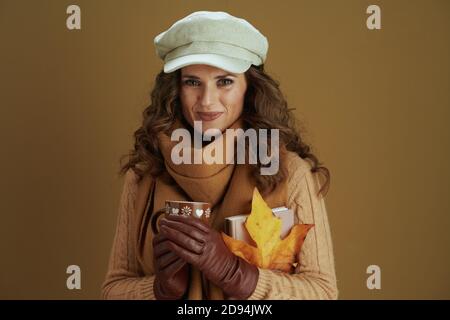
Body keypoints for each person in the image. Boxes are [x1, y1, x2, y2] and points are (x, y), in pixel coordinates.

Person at [102, 11, 338, 300]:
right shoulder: (143, 175)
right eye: (192, 82)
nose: (207, 101)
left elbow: (323, 292)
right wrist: (159, 290)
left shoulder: (290, 172)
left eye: (224, 81)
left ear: (249, 88)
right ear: (175, 89)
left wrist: (237, 275)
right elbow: (113, 289)